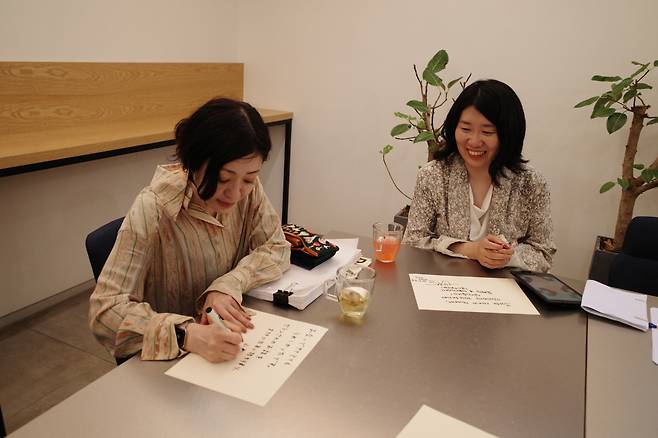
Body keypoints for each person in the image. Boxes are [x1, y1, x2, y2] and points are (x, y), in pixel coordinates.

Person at [89, 98, 290, 363]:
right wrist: (187, 334)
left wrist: (229, 284)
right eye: (223, 178)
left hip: (227, 346)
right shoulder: (153, 209)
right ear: (193, 161)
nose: (235, 192)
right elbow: (105, 312)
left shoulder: (248, 192)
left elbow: (276, 247)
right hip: (174, 363)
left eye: (249, 178)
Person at [402, 79, 556, 272]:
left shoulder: (531, 184)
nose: (474, 141)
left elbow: (544, 253)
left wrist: (508, 256)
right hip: (444, 287)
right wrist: (470, 249)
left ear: (508, 134)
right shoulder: (433, 175)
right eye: (465, 129)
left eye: (487, 132)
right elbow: (412, 243)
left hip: (506, 292)